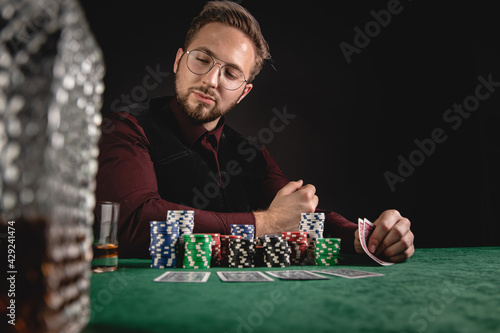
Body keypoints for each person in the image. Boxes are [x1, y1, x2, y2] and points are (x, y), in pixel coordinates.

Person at [96, 1, 414, 262]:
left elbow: (301, 214)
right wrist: (268, 223)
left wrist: (368, 236)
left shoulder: (253, 156)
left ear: (244, 92)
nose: (210, 80)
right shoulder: (126, 128)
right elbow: (132, 224)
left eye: (231, 73)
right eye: (202, 59)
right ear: (179, 60)